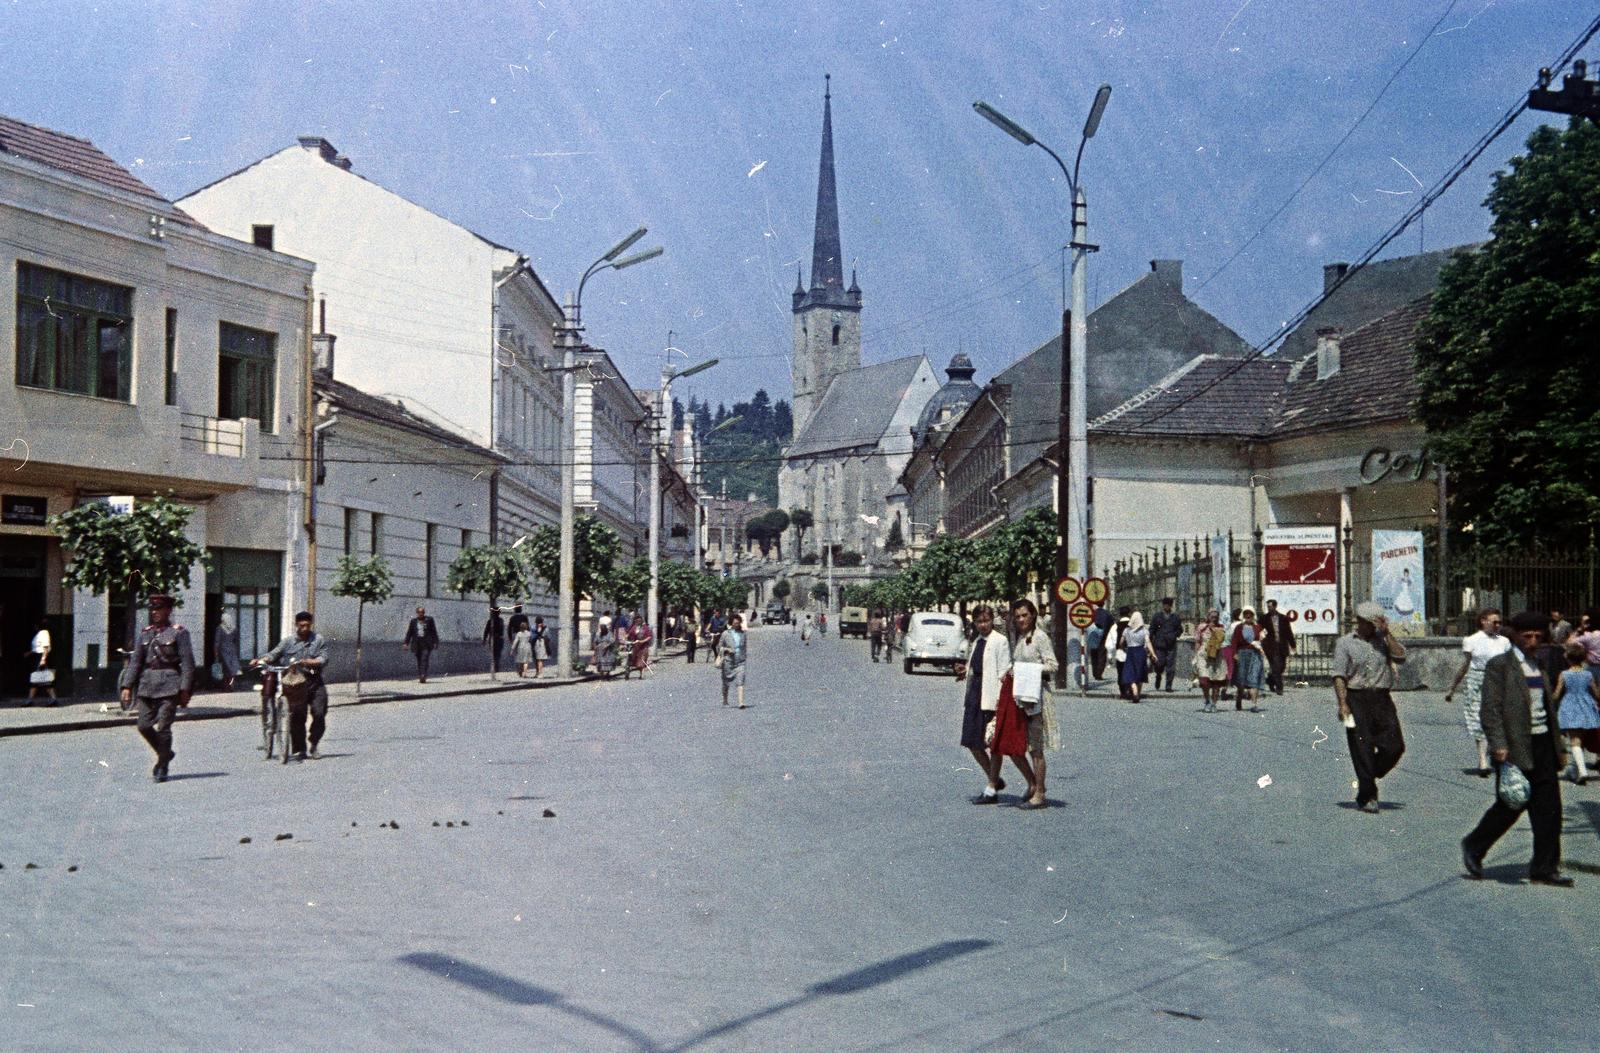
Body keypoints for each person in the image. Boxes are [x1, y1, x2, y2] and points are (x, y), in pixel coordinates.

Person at [1461, 610, 1573, 887]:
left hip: (1543, 743)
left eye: (1538, 637)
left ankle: (1545, 868)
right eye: (1527, 637)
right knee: (1513, 802)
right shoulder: (1501, 665)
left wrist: (1559, 747)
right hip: (1514, 745)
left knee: (1549, 808)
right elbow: (1490, 709)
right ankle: (1474, 845)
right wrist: (1498, 744)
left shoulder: (1541, 666)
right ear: (1516, 637)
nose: (1533, 642)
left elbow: (1549, 708)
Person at [1332, 601, 1407, 814]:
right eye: (1371, 623)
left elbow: (1401, 657)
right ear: (1361, 622)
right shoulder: (1345, 643)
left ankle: (1368, 775)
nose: (1374, 627)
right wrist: (1342, 704)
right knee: (1361, 747)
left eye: (1377, 623)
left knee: (1395, 746)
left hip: (1381, 698)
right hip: (1356, 699)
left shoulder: (1383, 641)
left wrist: (1387, 634)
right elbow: (1339, 675)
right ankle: (1368, 796)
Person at [119, 595, 194, 782]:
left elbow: (187, 663)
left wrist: (185, 690)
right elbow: (136, 662)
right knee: (143, 725)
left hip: (170, 685)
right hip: (147, 686)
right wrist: (127, 685)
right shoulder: (145, 633)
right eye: (152, 609)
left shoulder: (179, 633)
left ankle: (162, 766)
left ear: (168, 611)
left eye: (158, 609)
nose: (154, 612)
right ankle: (166, 752)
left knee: (163, 727)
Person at [956, 604, 1013, 805]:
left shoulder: (1001, 641)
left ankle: (991, 789)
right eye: (979, 621)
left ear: (992, 620)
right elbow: (978, 665)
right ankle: (995, 779)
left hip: (990, 697)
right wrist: (966, 670)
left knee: (992, 744)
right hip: (974, 695)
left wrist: (1000, 702)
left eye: (986, 621)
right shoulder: (977, 640)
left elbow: (1003, 672)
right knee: (972, 742)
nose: (983, 625)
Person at [253, 611, 329, 761]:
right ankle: (300, 749)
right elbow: (274, 654)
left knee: (319, 713)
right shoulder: (288, 642)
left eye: (308, 625)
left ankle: (314, 744)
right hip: (295, 684)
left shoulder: (318, 640)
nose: (305, 628)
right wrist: (261, 660)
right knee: (296, 717)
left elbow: (324, 658)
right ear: (296, 625)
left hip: (314, 682)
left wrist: (308, 661)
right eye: (302, 625)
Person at [1443, 609, 1510, 776]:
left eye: (1499, 622)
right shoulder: (1471, 640)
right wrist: (1452, 688)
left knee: (1498, 718)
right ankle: (1482, 760)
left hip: (1498, 681)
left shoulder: (1504, 642)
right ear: (1483, 621)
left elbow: (1510, 666)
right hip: (1477, 681)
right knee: (1478, 719)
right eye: (1494, 622)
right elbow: (1465, 665)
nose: (1497, 625)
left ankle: (1495, 751)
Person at [1010, 598, 1059, 809]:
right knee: (1021, 746)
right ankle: (1033, 784)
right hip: (1022, 697)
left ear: (1033, 616)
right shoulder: (1021, 638)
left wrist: (1032, 670)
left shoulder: (1040, 637)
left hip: (1037, 697)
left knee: (1036, 747)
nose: (1021, 619)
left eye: (1025, 615)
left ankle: (1040, 792)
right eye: (1018, 616)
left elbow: (1053, 665)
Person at [1553, 640, 1600, 785]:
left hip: (1570, 708)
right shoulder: (1588, 675)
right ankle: (1575, 769)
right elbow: (1596, 694)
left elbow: (1557, 694)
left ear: (1568, 658)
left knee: (1574, 740)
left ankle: (1582, 771)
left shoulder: (1564, 674)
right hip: (1586, 708)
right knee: (1579, 741)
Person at [1231, 608, 1268, 712]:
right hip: (1242, 654)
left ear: (1253, 615)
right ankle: (1239, 699)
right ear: (1243, 615)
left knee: (1254, 678)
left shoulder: (1257, 627)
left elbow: (1263, 640)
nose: (1248, 616)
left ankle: (1254, 704)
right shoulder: (1239, 627)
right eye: (1246, 614)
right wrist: (1234, 654)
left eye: (1250, 614)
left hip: (1255, 654)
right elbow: (1234, 641)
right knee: (1241, 680)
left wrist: (1261, 642)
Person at [1194, 609, 1228, 712]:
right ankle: (1207, 700)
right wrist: (1196, 655)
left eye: (1216, 617)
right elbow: (1197, 642)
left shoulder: (1221, 628)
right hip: (1203, 655)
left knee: (1216, 681)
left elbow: (1223, 641)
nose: (1214, 618)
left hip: (1217, 655)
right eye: (1212, 616)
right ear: (1208, 617)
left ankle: (1214, 703)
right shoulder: (1202, 627)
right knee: (1204, 680)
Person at [1259, 599, 1296, 695]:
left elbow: (1288, 632)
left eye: (1270, 606)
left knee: (1282, 666)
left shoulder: (1283, 618)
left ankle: (1270, 679)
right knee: (1276, 666)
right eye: (1268, 607)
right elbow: (1258, 629)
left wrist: (1293, 645)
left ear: (1275, 606)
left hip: (1282, 644)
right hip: (1270, 645)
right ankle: (1279, 688)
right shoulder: (1264, 618)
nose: (1269, 608)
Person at [1149, 598, 1182, 693]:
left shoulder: (1175, 617)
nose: (1166, 606)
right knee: (1159, 664)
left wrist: (1174, 635)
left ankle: (1168, 685)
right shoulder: (1157, 617)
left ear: (1171, 606)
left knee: (1170, 667)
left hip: (1171, 645)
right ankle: (1158, 675)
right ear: (1163, 605)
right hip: (1159, 645)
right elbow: (1152, 630)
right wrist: (1150, 642)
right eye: (1165, 604)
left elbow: (1180, 629)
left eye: (1168, 605)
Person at [718, 613, 748, 708]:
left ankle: (741, 702)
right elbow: (719, 647)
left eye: (738, 623)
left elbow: (744, 646)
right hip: (728, 662)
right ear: (731, 623)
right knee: (726, 682)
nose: (737, 625)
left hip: (740, 661)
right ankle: (725, 700)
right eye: (735, 623)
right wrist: (726, 650)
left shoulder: (743, 634)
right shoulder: (725, 634)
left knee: (740, 681)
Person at [1119, 611, 1150, 703]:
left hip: (1131, 652)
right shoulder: (1144, 630)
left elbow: (1121, 642)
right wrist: (1152, 653)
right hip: (1141, 652)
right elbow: (1148, 642)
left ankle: (1134, 691)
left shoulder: (1126, 630)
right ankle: (1138, 694)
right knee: (1140, 673)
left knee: (1130, 673)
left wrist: (1122, 647)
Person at [402, 606, 438, 683]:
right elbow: (409, 633)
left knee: (424, 658)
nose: (421, 614)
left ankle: (423, 675)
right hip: (417, 643)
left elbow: (434, 632)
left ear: (424, 613)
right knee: (419, 660)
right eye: (419, 612)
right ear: (417, 613)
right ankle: (421, 674)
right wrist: (406, 643)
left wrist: (435, 642)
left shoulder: (429, 620)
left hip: (426, 643)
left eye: (422, 612)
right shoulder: (413, 621)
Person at [26, 617, 55, 705]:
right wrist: (30, 653)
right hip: (37, 657)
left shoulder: (44, 633)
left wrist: (43, 659)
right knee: (41, 679)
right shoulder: (38, 634)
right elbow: (37, 647)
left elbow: (45, 647)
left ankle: (30, 700)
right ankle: (30, 700)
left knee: (43, 679)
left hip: (41, 657)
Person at [213, 611, 241, 690]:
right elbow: (237, 640)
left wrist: (216, 654)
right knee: (232, 670)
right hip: (232, 650)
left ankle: (225, 686)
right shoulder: (234, 628)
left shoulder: (220, 628)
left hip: (223, 650)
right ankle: (231, 685)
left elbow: (217, 642)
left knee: (225, 670)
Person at [482, 608, 505, 674]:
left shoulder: (491, 621)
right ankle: (496, 667)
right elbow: (501, 630)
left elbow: (486, 631)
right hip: (498, 639)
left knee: (494, 654)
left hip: (493, 639)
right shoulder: (500, 620)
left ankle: (495, 667)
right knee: (497, 654)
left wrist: (484, 639)